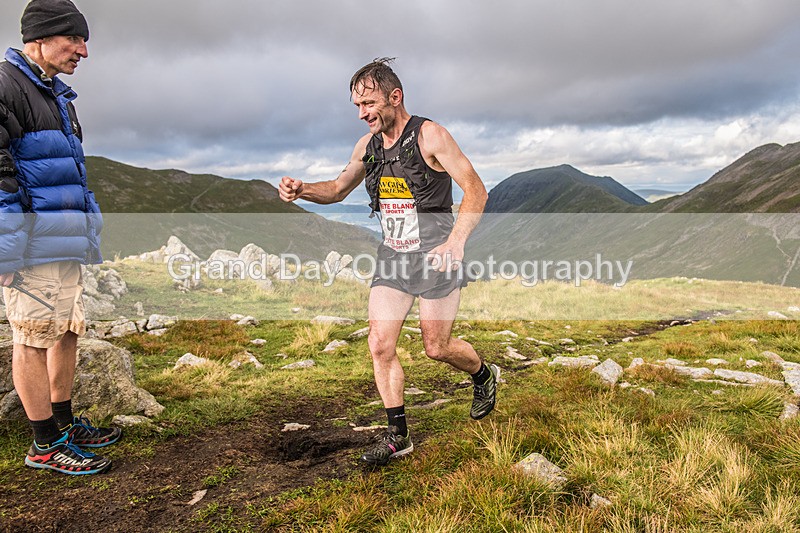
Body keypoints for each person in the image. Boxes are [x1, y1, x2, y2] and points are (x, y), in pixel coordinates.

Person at [280, 58, 499, 466]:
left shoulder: (431, 136)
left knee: (437, 347)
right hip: (393, 257)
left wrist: (456, 242)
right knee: (380, 344)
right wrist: (303, 189)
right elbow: (337, 189)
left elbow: (476, 190)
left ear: (395, 97)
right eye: (357, 106)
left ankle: (484, 375)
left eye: (369, 103)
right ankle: (398, 436)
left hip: (437, 257)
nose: (363, 113)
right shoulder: (368, 147)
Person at [0, 0, 120, 475]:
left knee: (66, 330)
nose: (83, 51)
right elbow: (0, 176)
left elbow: (66, 172)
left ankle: (64, 424)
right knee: (31, 338)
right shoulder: (6, 87)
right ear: (42, 38)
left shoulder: (54, 93)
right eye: (74, 39)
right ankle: (44, 444)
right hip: (31, 244)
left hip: (62, 240)